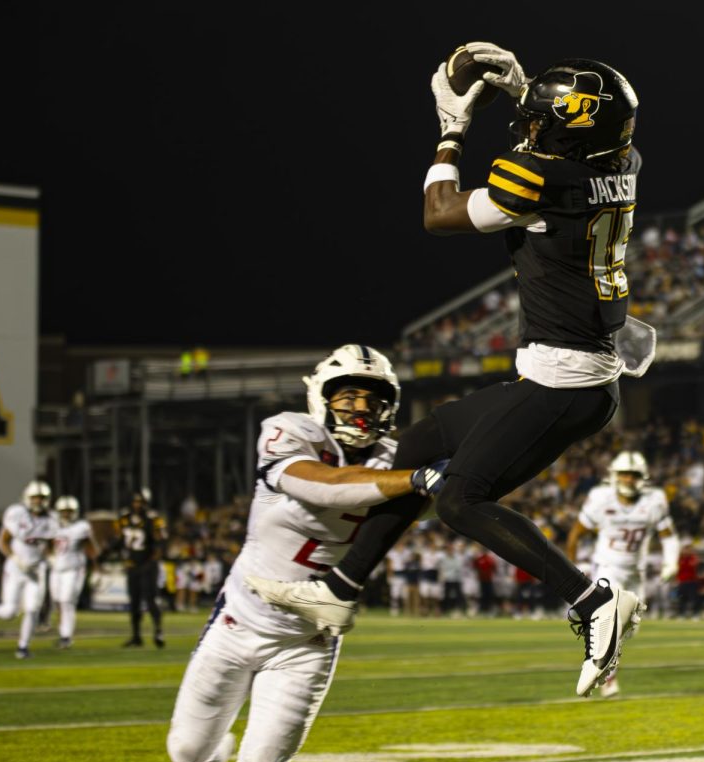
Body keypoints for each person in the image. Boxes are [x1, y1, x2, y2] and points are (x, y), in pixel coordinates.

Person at [246, 43, 654, 697]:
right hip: (575, 369)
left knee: (460, 498)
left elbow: (439, 213)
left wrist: (451, 130)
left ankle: (594, 599)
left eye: (544, 125)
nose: (532, 130)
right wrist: (530, 95)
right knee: (426, 440)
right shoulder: (621, 160)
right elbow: (569, 142)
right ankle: (340, 588)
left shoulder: (543, 177)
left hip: (565, 379)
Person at [166, 344, 446, 762]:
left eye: (371, 399)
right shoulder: (289, 432)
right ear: (322, 396)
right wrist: (416, 480)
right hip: (241, 619)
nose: (360, 408)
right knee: (185, 747)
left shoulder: (395, 458)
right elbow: (328, 486)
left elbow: (453, 503)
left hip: (309, 639)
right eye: (348, 396)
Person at [565, 451, 678, 697]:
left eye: (634, 475)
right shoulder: (600, 498)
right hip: (607, 568)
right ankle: (606, 674)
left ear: (642, 477)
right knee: (611, 620)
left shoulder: (655, 500)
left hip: (636, 571)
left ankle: (606, 662)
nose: (628, 479)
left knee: (630, 628)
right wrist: (572, 568)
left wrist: (672, 562)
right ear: (615, 476)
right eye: (624, 474)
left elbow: (668, 536)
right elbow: (576, 533)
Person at [0, 481, 55, 657]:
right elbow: (2, 541)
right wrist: (15, 558)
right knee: (10, 611)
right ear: (27, 498)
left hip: (36, 570)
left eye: (41, 498)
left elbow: (52, 545)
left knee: (32, 608)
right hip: (15, 568)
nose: (38, 501)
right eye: (35, 498)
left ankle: (23, 647)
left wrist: (51, 558)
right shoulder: (17, 513)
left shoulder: (53, 520)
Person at [115, 488, 167, 647]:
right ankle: (136, 636)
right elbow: (119, 541)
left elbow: (160, 543)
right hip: (132, 566)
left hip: (148, 565)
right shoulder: (124, 518)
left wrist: (152, 562)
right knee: (134, 602)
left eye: (140, 502)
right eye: (135, 501)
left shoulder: (153, 519)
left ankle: (158, 631)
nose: (137, 505)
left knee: (151, 601)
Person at [49, 496, 98, 648]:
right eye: (63, 511)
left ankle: (66, 636)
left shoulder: (81, 527)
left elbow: (91, 548)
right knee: (57, 601)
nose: (66, 514)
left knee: (67, 601)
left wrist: (96, 569)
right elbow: (48, 545)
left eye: (69, 511)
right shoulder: (52, 526)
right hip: (56, 569)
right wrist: (48, 557)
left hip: (74, 569)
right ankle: (62, 633)